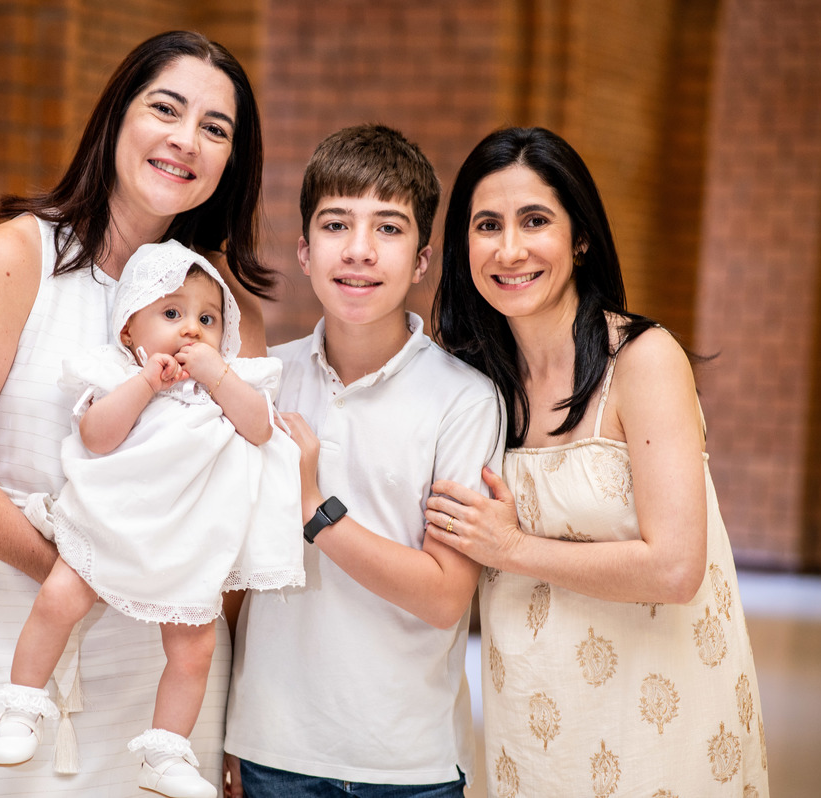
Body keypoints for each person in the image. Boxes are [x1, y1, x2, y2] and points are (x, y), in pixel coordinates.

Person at [0, 31, 274, 797]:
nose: (185, 139)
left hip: (170, 682)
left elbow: (241, 515)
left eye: (215, 128)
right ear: (114, 119)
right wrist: (79, 571)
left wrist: (242, 722)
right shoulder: (13, 259)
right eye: (165, 108)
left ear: (233, 161)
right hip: (14, 649)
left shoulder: (225, 313)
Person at [425, 126, 769, 797]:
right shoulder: (475, 384)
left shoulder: (642, 361)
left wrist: (512, 547)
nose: (510, 249)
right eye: (487, 225)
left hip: (657, 721)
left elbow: (674, 567)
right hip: (535, 720)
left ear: (580, 238)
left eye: (535, 221)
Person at [224, 124, 506, 798]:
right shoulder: (262, 378)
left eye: (387, 228)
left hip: (407, 764)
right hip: (269, 748)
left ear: (422, 260)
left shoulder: (465, 399)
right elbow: (228, 573)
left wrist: (313, 511)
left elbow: (444, 596)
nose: (358, 251)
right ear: (303, 250)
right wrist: (221, 728)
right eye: (335, 224)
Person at [0, 240, 303, 798]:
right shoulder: (115, 374)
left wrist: (218, 376)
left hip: (186, 545)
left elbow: (261, 429)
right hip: (107, 527)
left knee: (194, 647)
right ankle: (20, 705)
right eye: (171, 313)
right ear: (130, 328)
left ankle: (165, 753)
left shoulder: (229, 387)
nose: (191, 330)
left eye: (207, 319)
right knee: (58, 599)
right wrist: (146, 384)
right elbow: (95, 436)